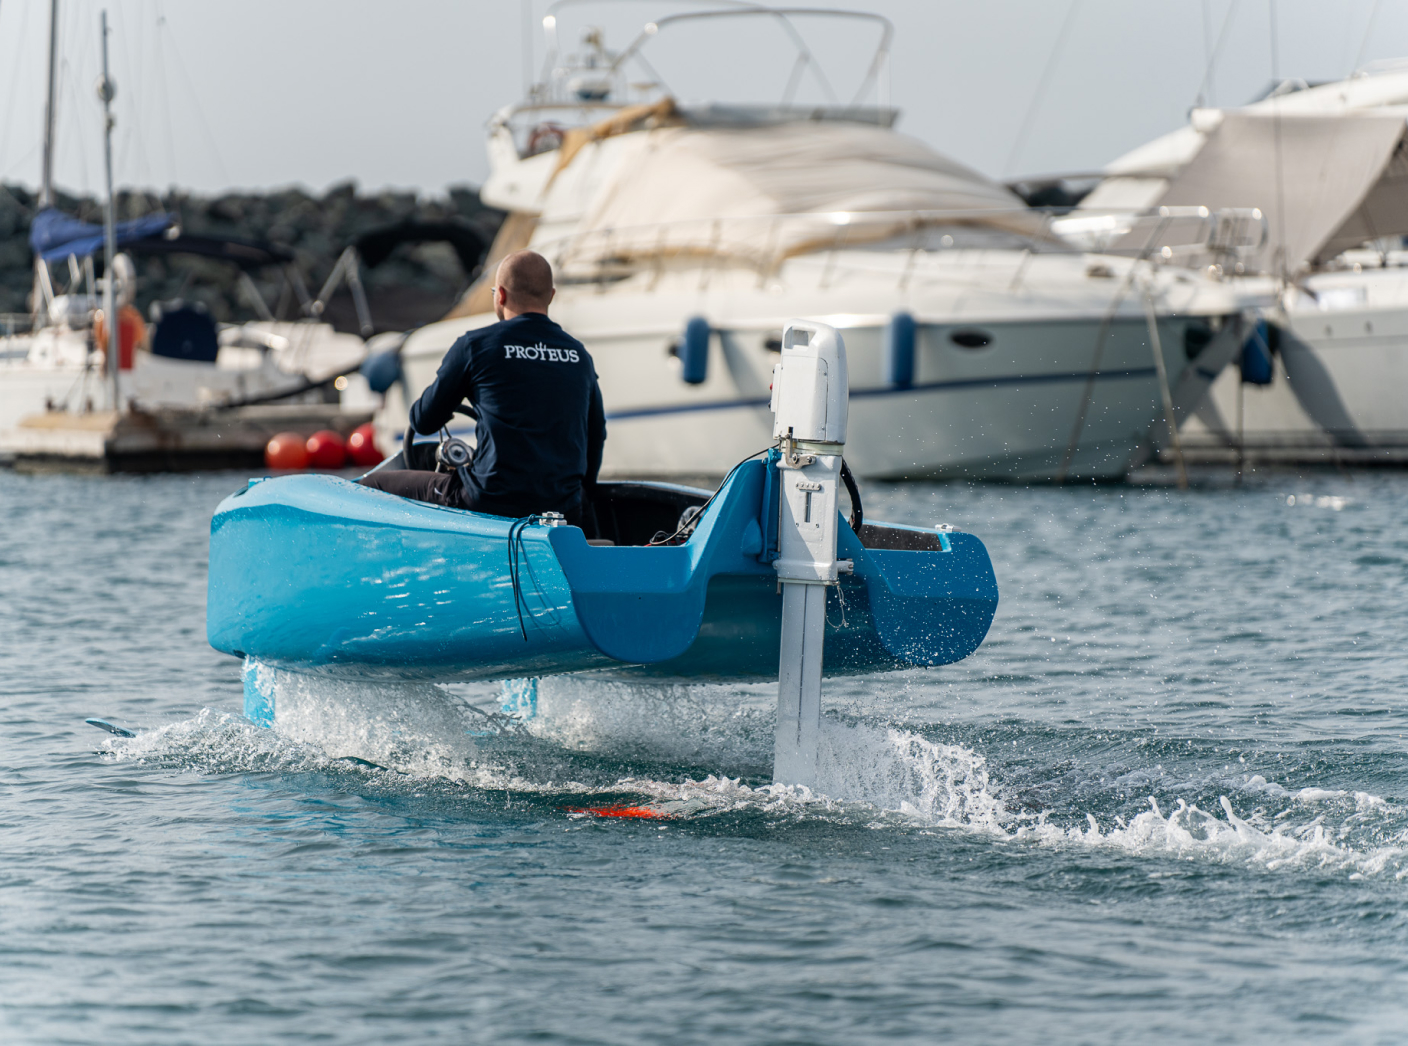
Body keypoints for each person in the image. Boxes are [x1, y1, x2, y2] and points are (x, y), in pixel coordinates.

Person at [360, 250, 605, 523]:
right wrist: (581, 496)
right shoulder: (579, 355)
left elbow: (423, 422)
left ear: (500, 295)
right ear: (551, 296)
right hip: (564, 509)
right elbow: (596, 435)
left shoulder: (476, 346)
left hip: (487, 501)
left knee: (372, 485)